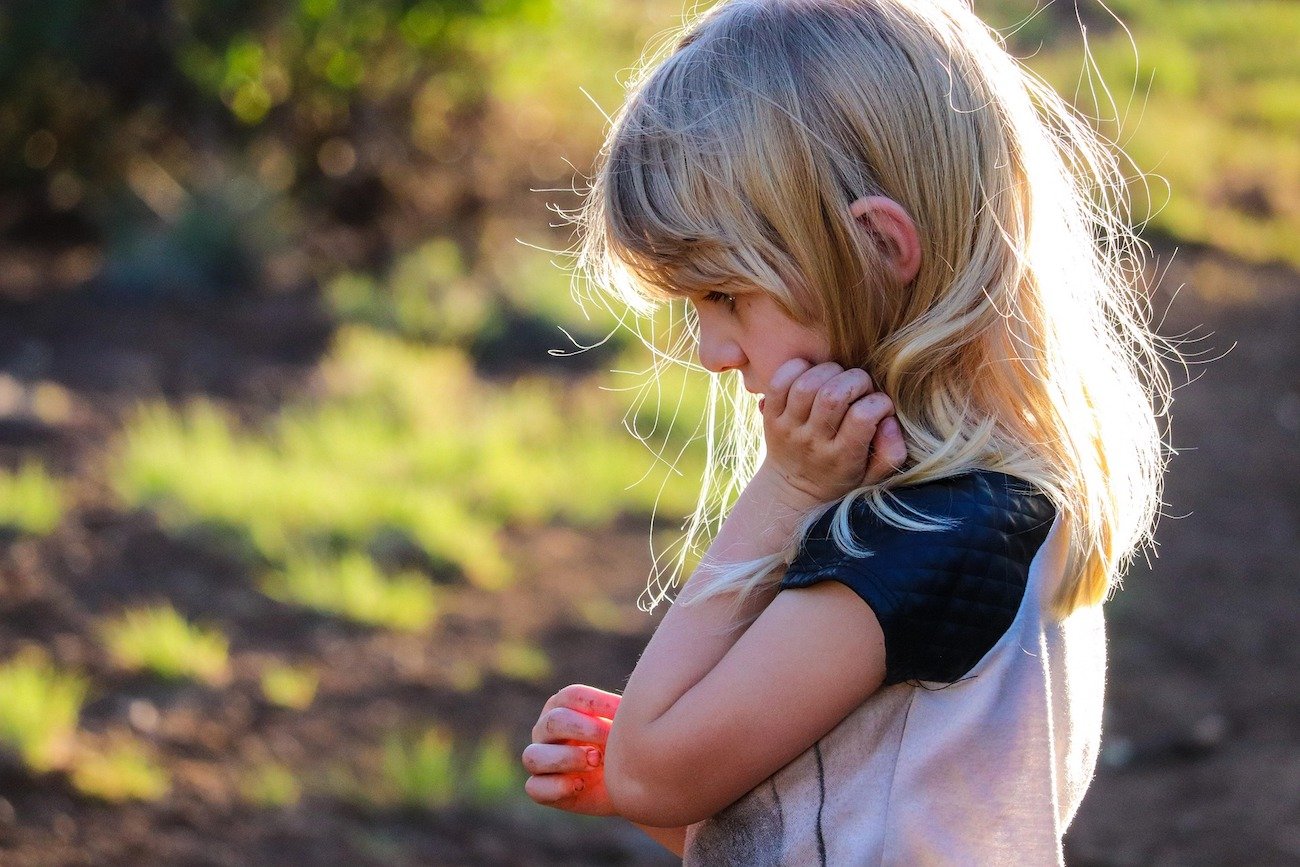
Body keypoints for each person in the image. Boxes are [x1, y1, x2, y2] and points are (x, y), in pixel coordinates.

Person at [521, 0, 1175, 863]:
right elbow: (836, 815)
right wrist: (652, 790)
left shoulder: (927, 539)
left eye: (724, 296)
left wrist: (780, 495)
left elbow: (657, 770)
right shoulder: (977, 510)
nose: (715, 351)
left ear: (875, 246)